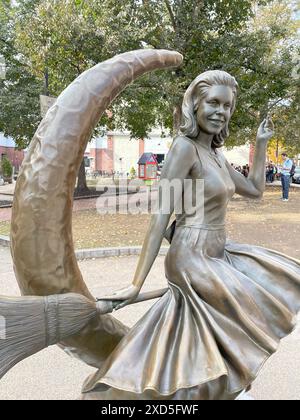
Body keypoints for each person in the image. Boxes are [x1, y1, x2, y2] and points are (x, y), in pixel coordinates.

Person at [83, 71, 300, 400]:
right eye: (213, 102)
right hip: (191, 257)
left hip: (218, 252)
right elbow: (160, 217)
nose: (221, 112)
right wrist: (136, 283)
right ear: (194, 105)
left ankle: (183, 391)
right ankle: (220, 390)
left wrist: (260, 143)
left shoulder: (214, 153)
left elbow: (255, 189)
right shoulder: (183, 149)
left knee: (256, 294)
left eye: (227, 106)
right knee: (241, 308)